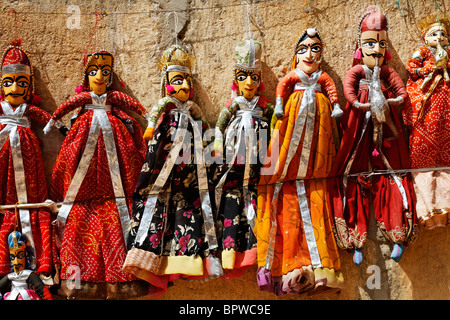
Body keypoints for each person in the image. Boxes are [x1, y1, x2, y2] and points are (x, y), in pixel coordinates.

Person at [43, 50, 149, 298]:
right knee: (77, 196)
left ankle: (123, 278)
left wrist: (148, 118)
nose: (100, 76)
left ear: (111, 76)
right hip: (85, 142)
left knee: (120, 196)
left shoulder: (114, 97)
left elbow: (131, 104)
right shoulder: (84, 99)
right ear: (86, 76)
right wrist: (54, 122)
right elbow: (66, 106)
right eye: (93, 72)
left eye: (105, 72)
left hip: (115, 143)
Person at [123, 44, 221, 297]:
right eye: (178, 81)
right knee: (155, 192)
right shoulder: (166, 104)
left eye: (187, 81)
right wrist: (150, 128)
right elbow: (155, 113)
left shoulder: (192, 109)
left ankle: (186, 258)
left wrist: (211, 141)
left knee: (189, 198)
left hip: (190, 158)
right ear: (167, 83)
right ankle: (149, 256)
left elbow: (202, 121)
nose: (184, 87)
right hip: (165, 153)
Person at [256, 27, 344, 296]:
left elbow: (331, 89)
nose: (309, 53)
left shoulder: (322, 79)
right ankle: (282, 268)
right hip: (293, 119)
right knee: (280, 181)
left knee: (316, 184)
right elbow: (282, 86)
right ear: (296, 54)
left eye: (315, 48)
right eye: (304, 48)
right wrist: (281, 106)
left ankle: (319, 269)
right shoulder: (294, 78)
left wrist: (335, 105)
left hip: (319, 129)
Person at [327, 6, 418, 266]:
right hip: (359, 123)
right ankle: (355, 237)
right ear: (360, 46)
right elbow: (348, 88)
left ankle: (397, 233)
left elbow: (400, 88)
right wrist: (356, 103)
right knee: (351, 171)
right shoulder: (358, 72)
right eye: (370, 44)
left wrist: (398, 98)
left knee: (394, 171)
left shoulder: (387, 72)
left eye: (381, 44)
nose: (376, 50)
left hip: (386, 124)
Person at [0, 39, 62, 279]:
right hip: (4, 149)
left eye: (21, 83)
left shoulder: (27, 110)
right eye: (9, 82)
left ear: (29, 87)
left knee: (32, 189)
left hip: (28, 150)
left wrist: (64, 130)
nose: (14, 89)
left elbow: (46, 117)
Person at [213, 39, 273, 278]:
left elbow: (278, 123)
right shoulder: (233, 105)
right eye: (243, 77)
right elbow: (219, 126)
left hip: (260, 167)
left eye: (254, 77)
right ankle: (231, 255)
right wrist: (218, 145)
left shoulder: (265, 106)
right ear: (236, 79)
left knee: (259, 203)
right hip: (234, 167)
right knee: (232, 202)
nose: (249, 83)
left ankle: (258, 253)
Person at [403, 13, 450, 230]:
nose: (439, 37)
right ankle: (427, 210)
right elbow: (411, 68)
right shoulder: (422, 52)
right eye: (434, 34)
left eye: (443, 34)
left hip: (446, 111)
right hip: (428, 107)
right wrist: (431, 69)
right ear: (425, 39)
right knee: (424, 154)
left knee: (445, 154)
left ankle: (445, 209)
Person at [0, 231, 52, 300]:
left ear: (25, 256)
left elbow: (43, 291)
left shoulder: (29, 274)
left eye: (20, 256)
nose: (16, 262)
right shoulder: (10, 276)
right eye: (13, 257)